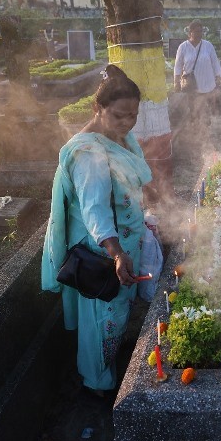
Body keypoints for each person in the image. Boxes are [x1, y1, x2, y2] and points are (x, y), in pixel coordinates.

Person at [42, 65, 153, 395]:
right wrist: (117, 253)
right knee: (102, 322)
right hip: (102, 255)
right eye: (119, 115)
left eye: (133, 115)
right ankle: (96, 386)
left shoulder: (117, 138)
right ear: (97, 109)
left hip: (121, 250)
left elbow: (135, 178)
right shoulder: (90, 154)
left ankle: (111, 370)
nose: (126, 123)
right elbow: (95, 211)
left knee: (116, 316)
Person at [173, 20, 221, 130]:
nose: (199, 34)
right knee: (194, 107)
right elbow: (178, 65)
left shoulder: (208, 45)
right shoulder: (183, 47)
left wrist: (218, 76)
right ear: (190, 32)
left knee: (205, 105)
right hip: (192, 84)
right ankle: (196, 126)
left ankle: (203, 124)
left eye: (201, 31)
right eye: (196, 31)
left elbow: (215, 61)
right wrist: (176, 82)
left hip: (207, 82)